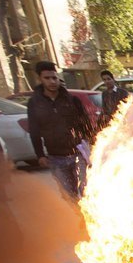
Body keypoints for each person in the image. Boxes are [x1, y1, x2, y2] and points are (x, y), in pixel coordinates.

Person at [26, 61, 94, 200]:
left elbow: (85, 123)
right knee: (69, 195)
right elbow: (35, 131)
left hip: (77, 154)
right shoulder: (34, 104)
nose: (52, 81)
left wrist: (91, 144)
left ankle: (88, 218)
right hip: (56, 157)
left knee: (86, 191)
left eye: (54, 78)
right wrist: (40, 155)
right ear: (40, 79)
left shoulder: (72, 100)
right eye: (47, 78)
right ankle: (80, 219)